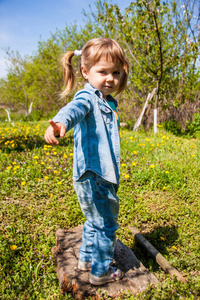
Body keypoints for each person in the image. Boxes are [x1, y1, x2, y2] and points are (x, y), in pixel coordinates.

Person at [44, 38, 129, 285]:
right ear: (85, 71)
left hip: (91, 176)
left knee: (94, 219)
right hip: (96, 175)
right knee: (106, 225)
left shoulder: (106, 101)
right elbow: (75, 108)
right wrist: (61, 123)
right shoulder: (88, 97)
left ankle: (86, 259)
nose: (110, 78)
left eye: (115, 72)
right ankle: (101, 272)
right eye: (102, 71)